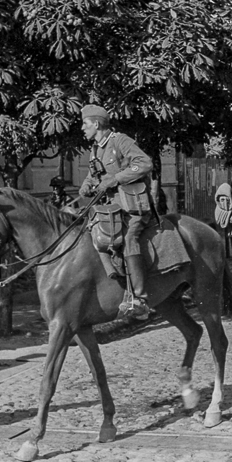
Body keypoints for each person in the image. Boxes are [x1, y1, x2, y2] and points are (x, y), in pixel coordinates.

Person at [78, 104, 154, 318]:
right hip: (109, 209)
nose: (82, 128)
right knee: (91, 233)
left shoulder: (120, 141)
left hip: (132, 207)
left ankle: (140, 298)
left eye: (85, 124)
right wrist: (86, 186)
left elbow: (145, 163)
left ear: (96, 124)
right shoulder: (95, 149)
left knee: (129, 238)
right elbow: (94, 174)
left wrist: (116, 179)